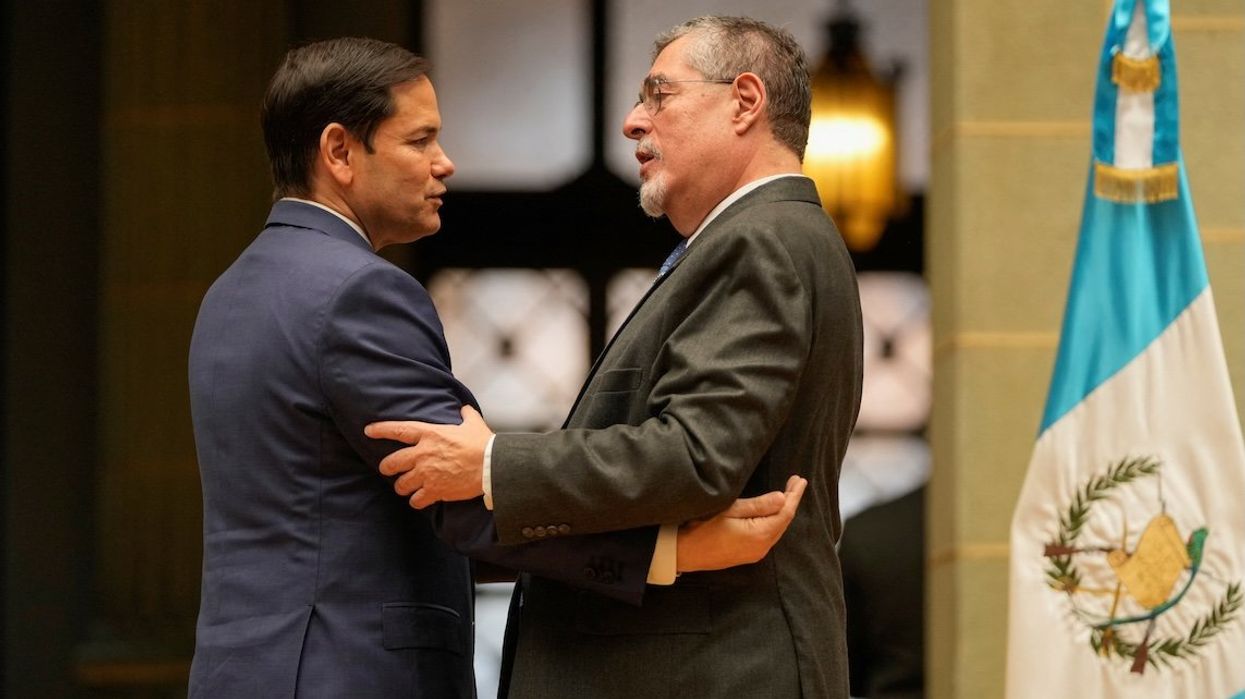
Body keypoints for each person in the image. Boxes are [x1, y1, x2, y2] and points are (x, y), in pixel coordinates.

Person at [187, 37, 804, 699]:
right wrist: (672, 550)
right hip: (351, 671)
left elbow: (366, 518)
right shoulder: (360, 293)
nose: (444, 163)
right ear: (339, 152)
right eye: (419, 140)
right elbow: (459, 499)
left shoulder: (228, 294)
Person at [367, 15, 864, 699]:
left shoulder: (762, 238)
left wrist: (489, 463)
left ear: (745, 101)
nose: (633, 121)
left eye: (659, 95)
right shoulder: (753, 238)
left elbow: (695, 454)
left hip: (714, 667)